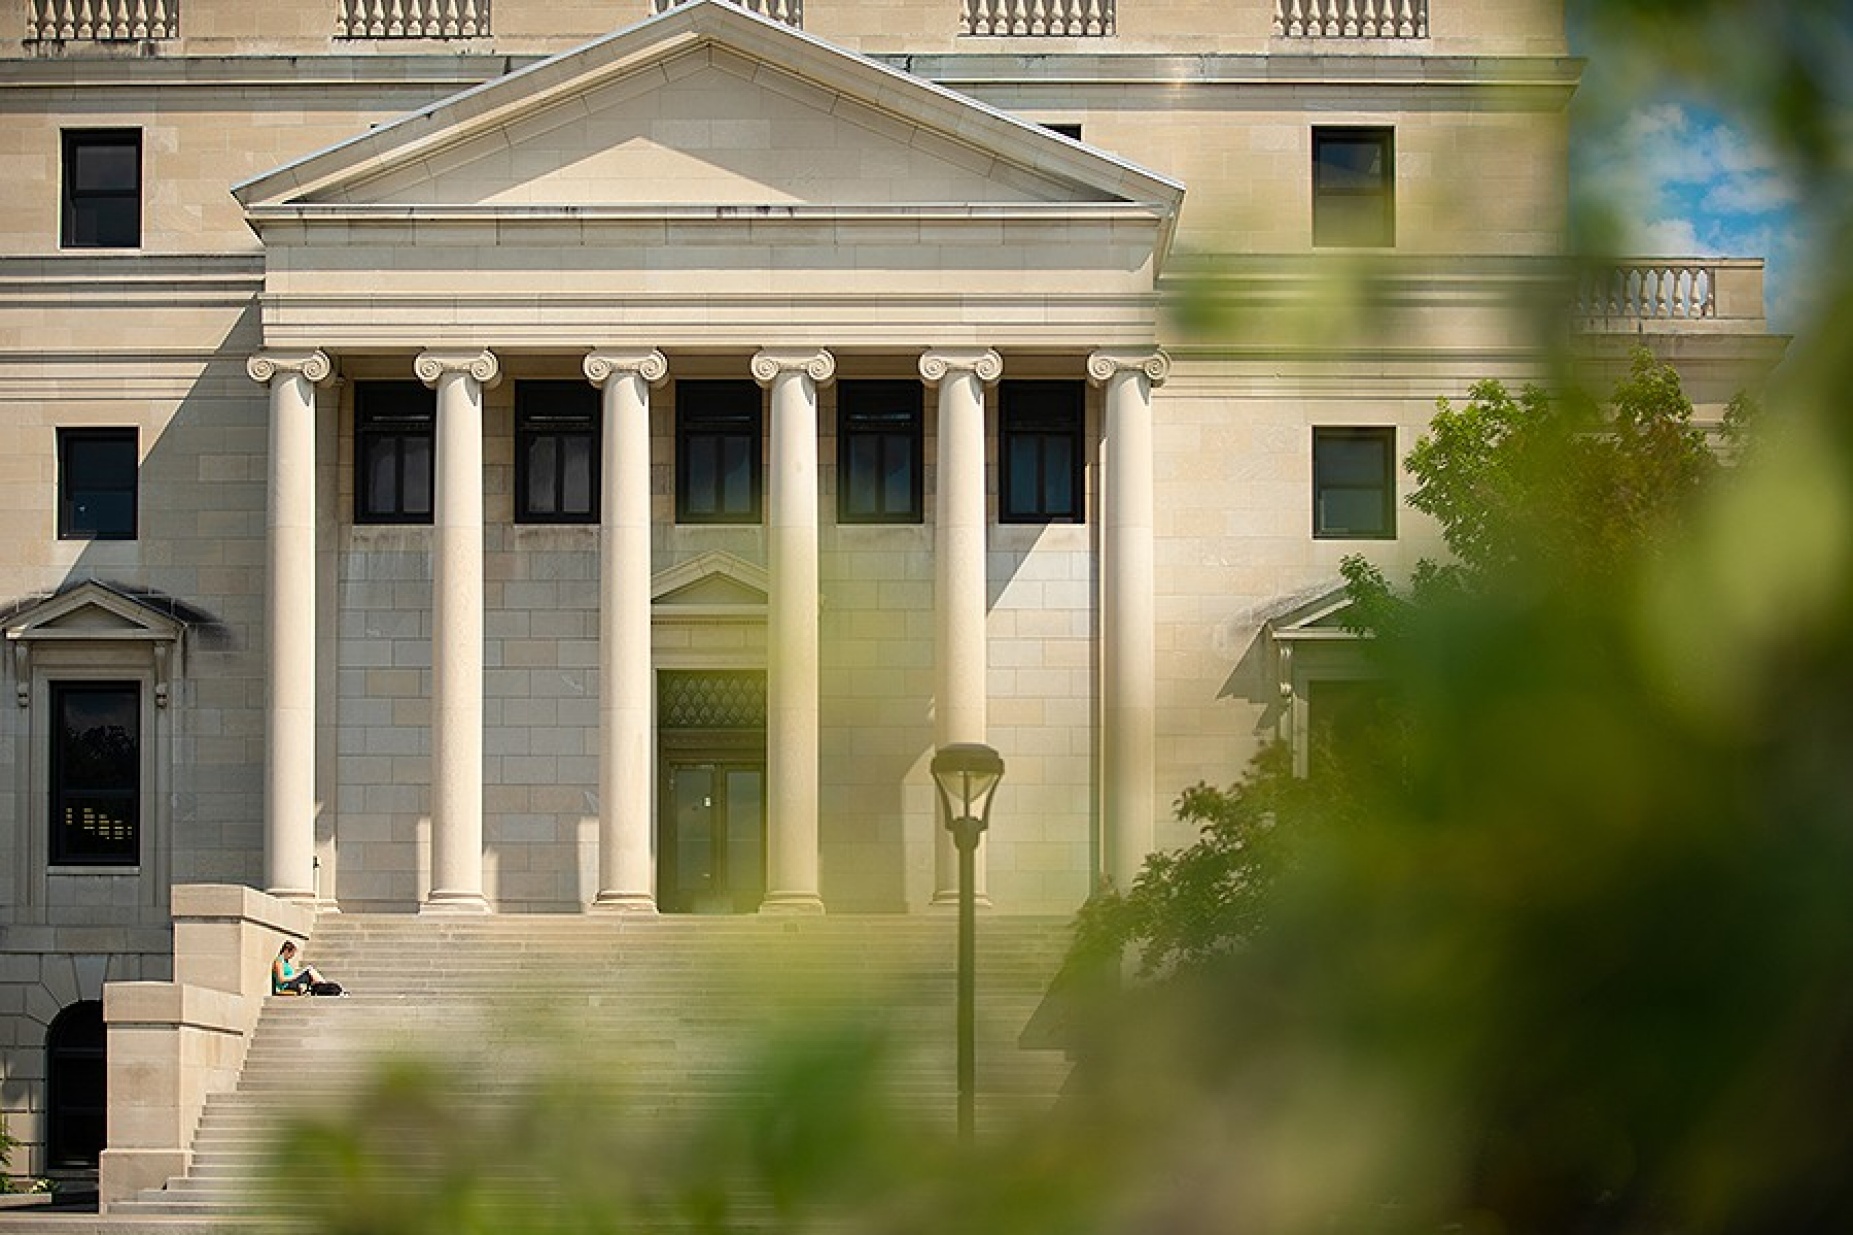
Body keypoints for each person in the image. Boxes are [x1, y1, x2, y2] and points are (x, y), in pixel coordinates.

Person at [271, 941, 343, 996]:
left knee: (310, 972)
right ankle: (328, 988)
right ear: (286, 951)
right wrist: (298, 975)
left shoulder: (285, 962)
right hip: (287, 986)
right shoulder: (279, 962)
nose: (292, 957)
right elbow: (281, 979)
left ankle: (327, 988)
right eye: (291, 954)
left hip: (291, 983)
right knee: (309, 971)